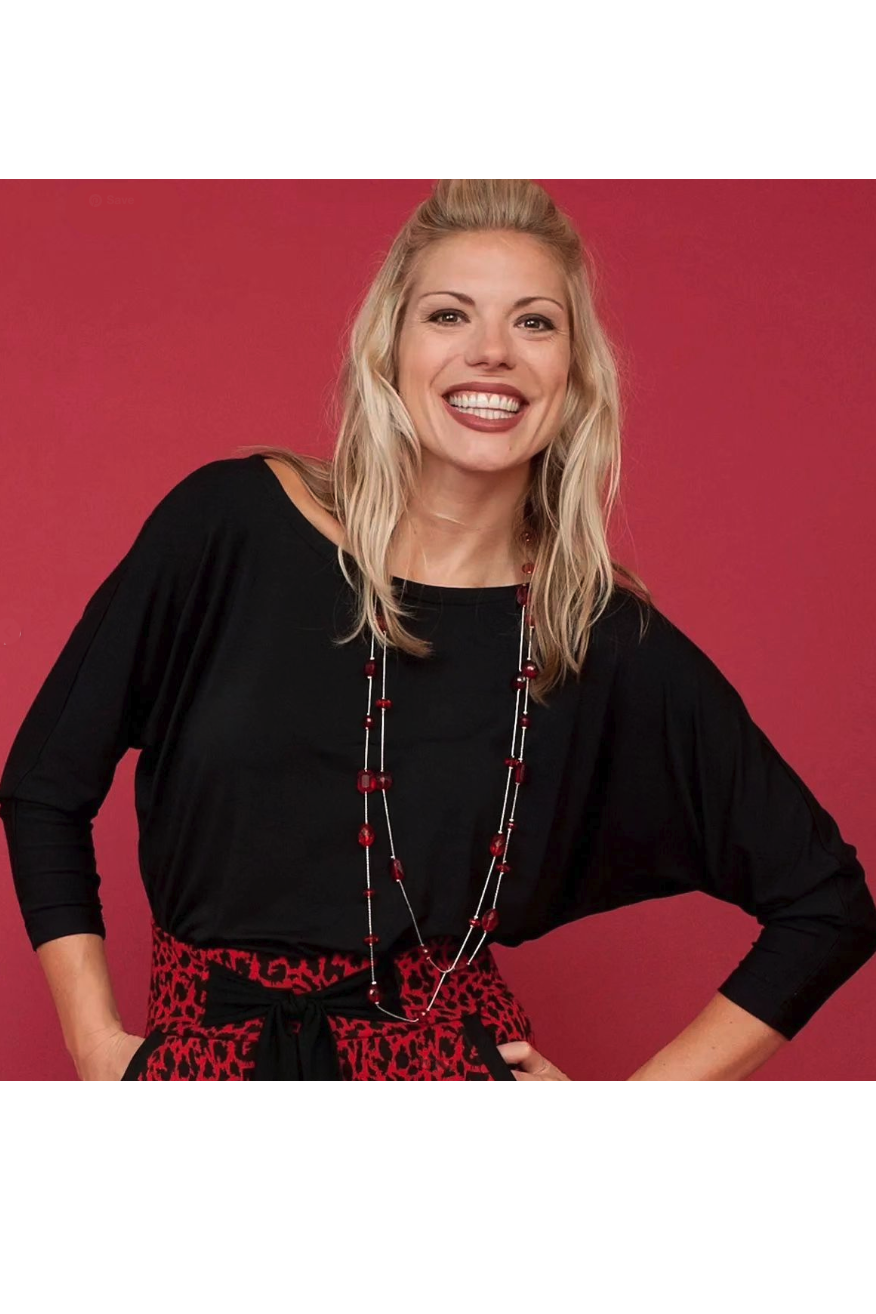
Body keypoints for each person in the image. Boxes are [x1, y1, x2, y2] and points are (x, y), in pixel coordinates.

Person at [2, 179, 875, 1081]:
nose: (492, 352)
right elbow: (43, 786)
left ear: (575, 377)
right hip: (199, 1075)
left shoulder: (591, 629)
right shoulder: (231, 526)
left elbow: (825, 902)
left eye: (535, 323)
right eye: (450, 315)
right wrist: (95, 1045)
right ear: (389, 350)